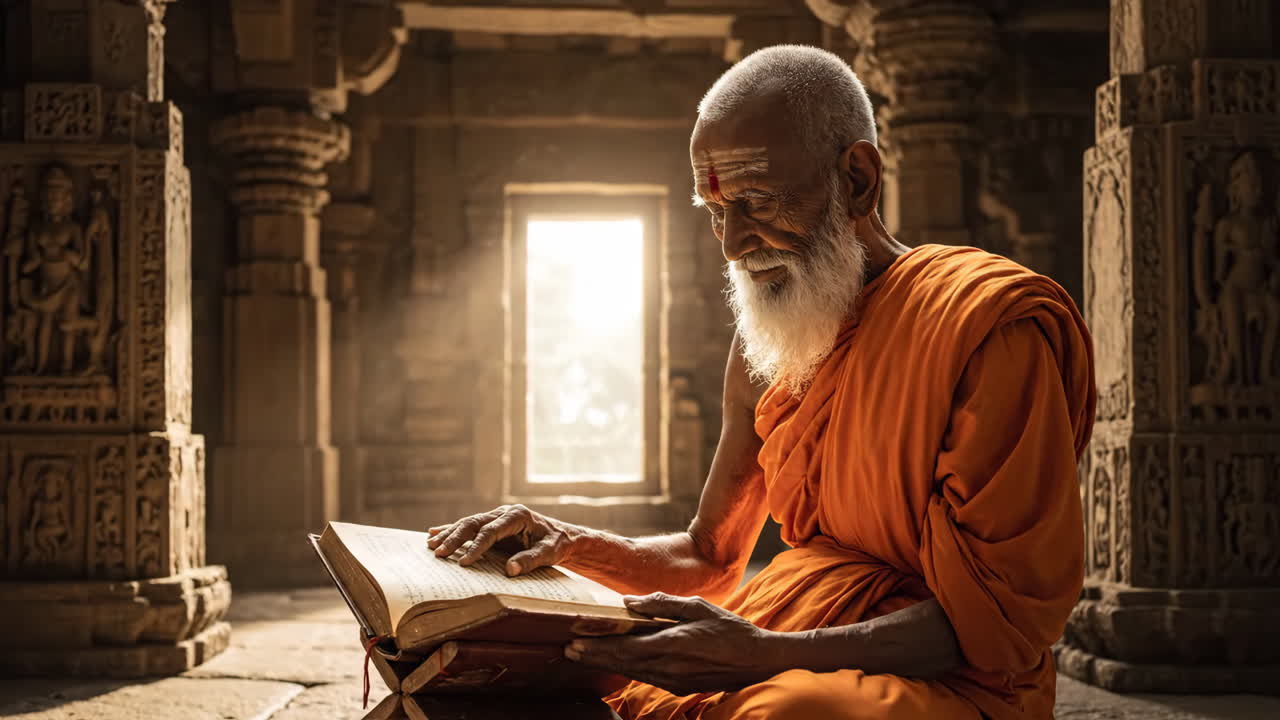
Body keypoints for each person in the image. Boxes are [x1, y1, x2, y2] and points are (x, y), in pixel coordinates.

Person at [428, 45, 1095, 720]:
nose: (731, 243)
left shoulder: (985, 327)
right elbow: (710, 556)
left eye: (756, 202)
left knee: (788, 714)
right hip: (783, 627)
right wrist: (568, 543)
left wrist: (762, 654)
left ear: (858, 180)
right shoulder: (768, 345)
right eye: (715, 212)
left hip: (952, 679)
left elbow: (997, 619)